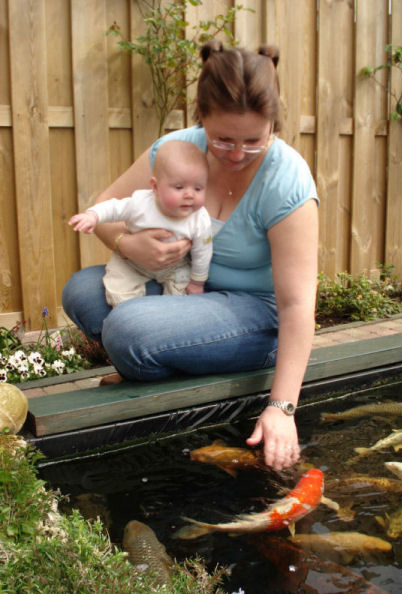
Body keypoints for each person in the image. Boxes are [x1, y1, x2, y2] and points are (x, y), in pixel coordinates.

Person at [62, 41, 319, 472]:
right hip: (186, 286)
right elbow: (104, 207)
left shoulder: (287, 179)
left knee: (129, 328)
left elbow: (297, 304)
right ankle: (171, 351)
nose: (237, 155)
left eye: (254, 141)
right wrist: (127, 244)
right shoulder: (175, 149)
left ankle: (161, 352)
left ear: (274, 123)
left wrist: (282, 407)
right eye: (222, 140)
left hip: (257, 313)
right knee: (83, 291)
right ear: (201, 117)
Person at [68, 140, 212, 305]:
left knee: (184, 293)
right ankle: (128, 313)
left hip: (175, 266)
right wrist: (93, 216)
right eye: (179, 187)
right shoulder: (141, 203)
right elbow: (114, 208)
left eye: (198, 189)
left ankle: (169, 318)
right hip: (132, 262)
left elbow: (203, 252)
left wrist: (197, 282)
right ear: (155, 187)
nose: (189, 195)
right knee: (117, 285)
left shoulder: (199, 218)